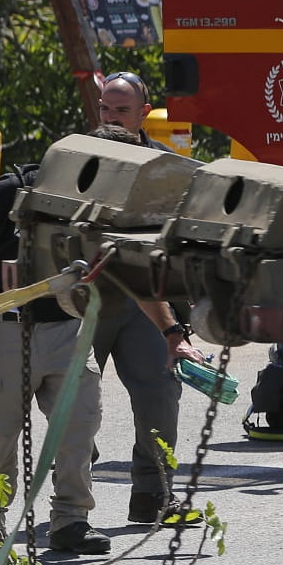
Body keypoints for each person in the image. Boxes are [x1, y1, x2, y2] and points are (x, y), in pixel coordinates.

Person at [0, 143, 110, 557]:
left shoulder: (98, 199)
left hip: (67, 327)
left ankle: (71, 520)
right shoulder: (14, 189)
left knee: (78, 427)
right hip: (4, 328)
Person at [83, 113, 211, 521]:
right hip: (85, 309)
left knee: (160, 394)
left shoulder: (157, 186)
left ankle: (154, 494)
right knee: (75, 407)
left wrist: (176, 324)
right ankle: (72, 500)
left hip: (145, 309)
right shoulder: (75, 187)